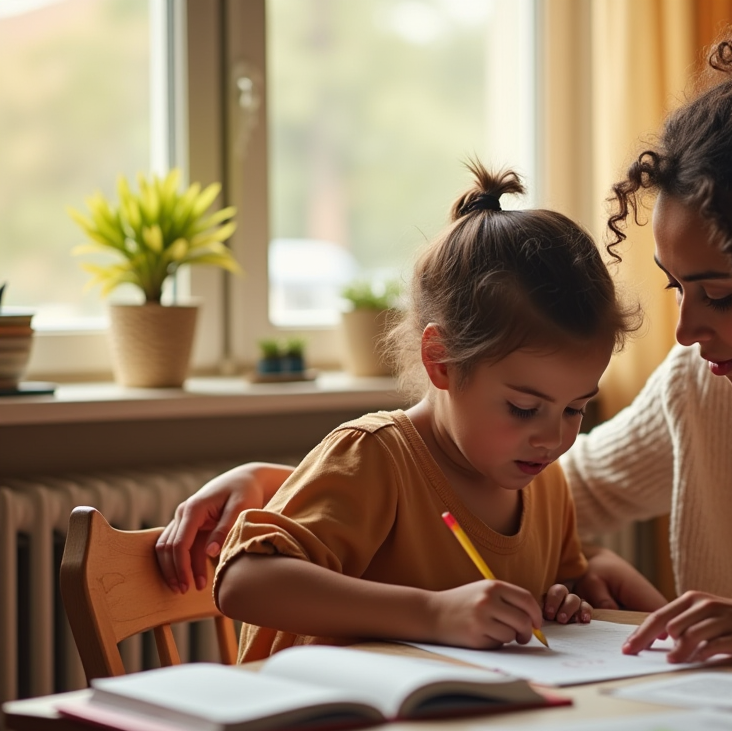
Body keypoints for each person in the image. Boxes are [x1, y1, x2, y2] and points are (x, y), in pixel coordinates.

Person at [158, 0, 732, 663]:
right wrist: (279, 486)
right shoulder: (708, 381)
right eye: (674, 288)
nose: (687, 330)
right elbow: (520, 474)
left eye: (719, 292)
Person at [197, 163, 661, 663]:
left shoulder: (543, 484)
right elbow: (245, 582)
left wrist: (562, 600)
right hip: (320, 728)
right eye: (524, 408)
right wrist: (434, 614)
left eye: (575, 409)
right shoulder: (375, 458)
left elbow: (561, 583)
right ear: (440, 361)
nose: (553, 437)